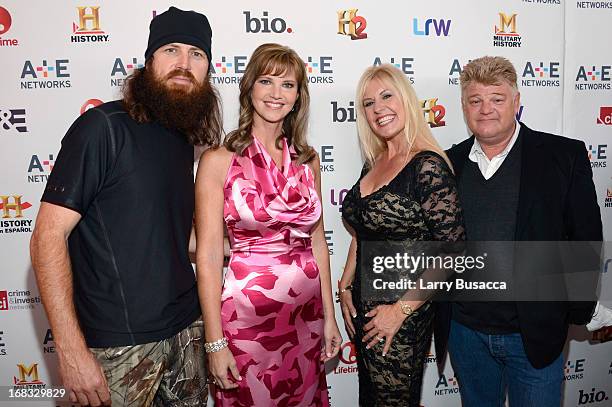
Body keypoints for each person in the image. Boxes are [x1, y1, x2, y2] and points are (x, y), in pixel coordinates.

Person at [29, 7, 222, 406]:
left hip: (186, 332)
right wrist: (70, 350)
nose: (184, 64)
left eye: (196, 54)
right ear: (149, 60)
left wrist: (258, 248)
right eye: (171, 50)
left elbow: (164, 236)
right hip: (120, 348)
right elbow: (47, 238)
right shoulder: (103, 128)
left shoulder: (182, 138)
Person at [434, 56, 603, 407]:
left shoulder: (563, 155)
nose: (486, 109)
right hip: (466, 334)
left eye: (497, 99)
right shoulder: (447, 163)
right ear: (464, 106)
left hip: (535, 334)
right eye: (475, 100)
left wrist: (572, 312)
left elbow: (585, 239)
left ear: (516, 101)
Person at [195, 43, 342, 406]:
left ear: (298, 96)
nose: (276, 94)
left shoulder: (307, 161)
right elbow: (210, 255)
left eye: (288, 85)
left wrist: (330, 317)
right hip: (247, 324)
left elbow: (317, 243)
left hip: (306, 318)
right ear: (249, 88)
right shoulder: (218, 160)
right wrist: (215, 342)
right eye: (266, 81)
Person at [338, 64, 465, 407]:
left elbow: (452, 252)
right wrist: (345, 283)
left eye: (386, 95)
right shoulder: (374, 162)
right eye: (367, 103)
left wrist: (400, 311)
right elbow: (365, 229)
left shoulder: (427, 166)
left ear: (406, 100)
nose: (378, 108)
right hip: (366, 309)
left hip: (401, 314)